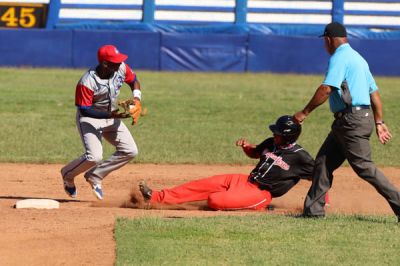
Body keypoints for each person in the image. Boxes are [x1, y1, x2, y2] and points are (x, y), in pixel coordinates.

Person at [293, 22, 400, 219]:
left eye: (324, 42)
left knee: (364, 167)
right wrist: (379, 122)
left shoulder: (339, 58)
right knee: (323, 163)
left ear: (328, 39)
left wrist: (304, 112)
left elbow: (326, 88)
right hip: (350, 121)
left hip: (351, 121)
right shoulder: (359, 59)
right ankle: (313, 212)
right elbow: (374, 94)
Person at [136, 115, 318, 211]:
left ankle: (257, 207)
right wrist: (246, 147)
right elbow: (255, 153)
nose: (274, 134)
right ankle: (155, 198)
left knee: (214, 200)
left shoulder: (300, 156)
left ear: (287, 136)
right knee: (202, 185)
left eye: (277, 133)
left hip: (262, 194)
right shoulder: (271, 143)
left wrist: (320, 202)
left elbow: (319, 177)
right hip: (244, 181)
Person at [61, 44, 142, 200]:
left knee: (130, 151)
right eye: (115, 61)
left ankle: (95, 176)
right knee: (94, 157)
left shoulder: (121, 68)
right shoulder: (87, 81)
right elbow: (84, 109)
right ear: (105, 64)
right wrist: (110, 115)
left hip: (111, 117)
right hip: (89, 119)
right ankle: (67, 174)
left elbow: (134, 81)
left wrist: (137, 99)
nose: (120, 63)